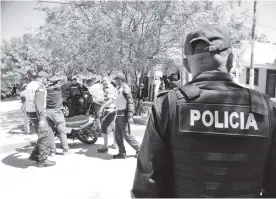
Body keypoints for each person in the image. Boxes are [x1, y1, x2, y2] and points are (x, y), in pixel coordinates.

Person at [131, 24, 276, 198]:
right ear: (231, 60)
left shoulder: (167, 105)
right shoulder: (266, 108)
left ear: (186, 65)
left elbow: (146, 185)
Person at [25, 71, 56, 167]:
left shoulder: (30, 85)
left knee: (41, 135)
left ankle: (35, 155)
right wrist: (42, 118)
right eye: (46, 79)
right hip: (38, 114)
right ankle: (43, 159)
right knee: (44, 136)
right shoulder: (40, 86)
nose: (47, 81)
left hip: (30, 112)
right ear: (43, 78)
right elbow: (39, 103)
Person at [113, 73, 140, 159]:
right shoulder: (120, 89)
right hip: (119, 114)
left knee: (126, 134)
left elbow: (130, 101)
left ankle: (140, 149)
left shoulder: (125, 89)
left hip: (123, 114)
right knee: (117, 134)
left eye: (116, 79)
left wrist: (130, 114)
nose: (115, 81)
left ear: (120, 80)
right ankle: (122, 153)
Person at [46, 76, 71, 157]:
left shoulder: (46, 89)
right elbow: (67, 83)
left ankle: (52, 151)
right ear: (56, 82)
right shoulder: (58, 89)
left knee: (50, 133)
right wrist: (59, 79)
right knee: (62, 132)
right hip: (57, 112)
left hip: (47, 112)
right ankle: (65, 150)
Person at [97, 77, 117, 152]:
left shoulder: (110, 88)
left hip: (110, 110)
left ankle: (105, 147)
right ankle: (115, 144)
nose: (103, 82)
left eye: (105, 81)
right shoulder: (106, 88)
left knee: (104, 127)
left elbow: (111, 99)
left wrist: (102, 107)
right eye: (102, 81)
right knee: (114, 127)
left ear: (109, 81)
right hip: (112, 109)